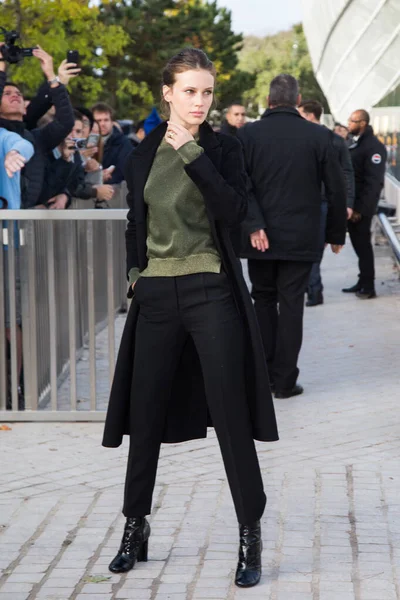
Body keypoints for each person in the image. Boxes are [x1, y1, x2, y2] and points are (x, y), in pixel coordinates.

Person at [102, 48, 278, 588]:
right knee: (145, 414)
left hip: (210, 292)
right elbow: (138, 221)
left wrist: (195, 156)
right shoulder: (143, 151)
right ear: (167, 93)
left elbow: (233, 210)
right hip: (156, 295)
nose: (199, 102)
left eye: (206, 92)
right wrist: (136, 274)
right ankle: (136, 526)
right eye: (189, 91)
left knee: (230, 414)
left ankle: (250, 531)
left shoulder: (224, 148)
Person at [238, 74, 347, 399]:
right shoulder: (320, 136)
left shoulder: (246, 135)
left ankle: (264, 377)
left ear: (270, 101)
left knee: (263, 301)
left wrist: (254, 224)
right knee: (292, 305)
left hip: (260, 239)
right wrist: (336, 233)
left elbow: (239, 184)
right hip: (302, 237)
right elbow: (337, 188)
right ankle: (285, 381)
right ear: (298, 101)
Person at [0, 45, 76, 209]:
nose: (15, 95)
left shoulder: (36, 138)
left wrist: (51, 76)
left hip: (27, 223)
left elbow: (66, 122)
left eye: (19, 94)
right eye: (7, 93)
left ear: (25, 108)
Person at [298, 100, 355, 306]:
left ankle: (314, 289)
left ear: (310, 115)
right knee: (311, 248)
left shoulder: (332, 140)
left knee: (314, 248)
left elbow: (347, 172)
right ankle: (311, 287)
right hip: (316, 202)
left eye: (300, 113)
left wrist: (347, 203)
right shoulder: (320, 138)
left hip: (322, 202)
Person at [0, 127, 34, 409]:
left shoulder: (4, 137)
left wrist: (15, 153)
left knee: (11, 321)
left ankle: (15, 385)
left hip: (6, 248)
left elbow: (24, 145)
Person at [343, 110, 387, 299]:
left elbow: (373, 182)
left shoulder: (373, 147)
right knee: (359, 246)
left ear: (363, 123)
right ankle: (362, 281)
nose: (349, 124)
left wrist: (360, 209)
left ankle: (368, 287)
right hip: (354, 207)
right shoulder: (357, 142)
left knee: (364, 247)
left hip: (361, 209)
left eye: (353, 121)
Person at [91, 102, 133, 185]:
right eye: (98, 120)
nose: (102, 124)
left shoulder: (123, 143)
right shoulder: (86, 141)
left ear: (112, 121)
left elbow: (125, 169)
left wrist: (107, 177)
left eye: (106, 120)